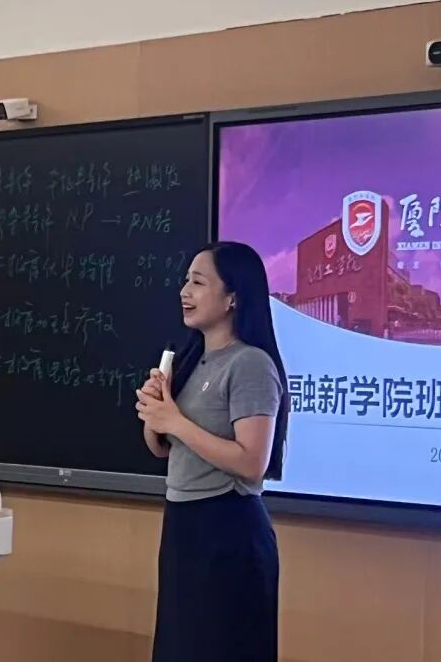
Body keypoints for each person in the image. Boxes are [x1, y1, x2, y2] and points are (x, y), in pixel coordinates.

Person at [135, 241, 289, 662]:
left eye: (198, 282)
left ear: (232, 297)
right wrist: (156, 414)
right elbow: (162, 448)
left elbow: (252, 462)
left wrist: (175, 421)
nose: (185, 291)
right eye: (186, 281)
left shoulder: (250, 364)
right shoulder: (190, 358)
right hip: (184, 525)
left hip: (228, 530)